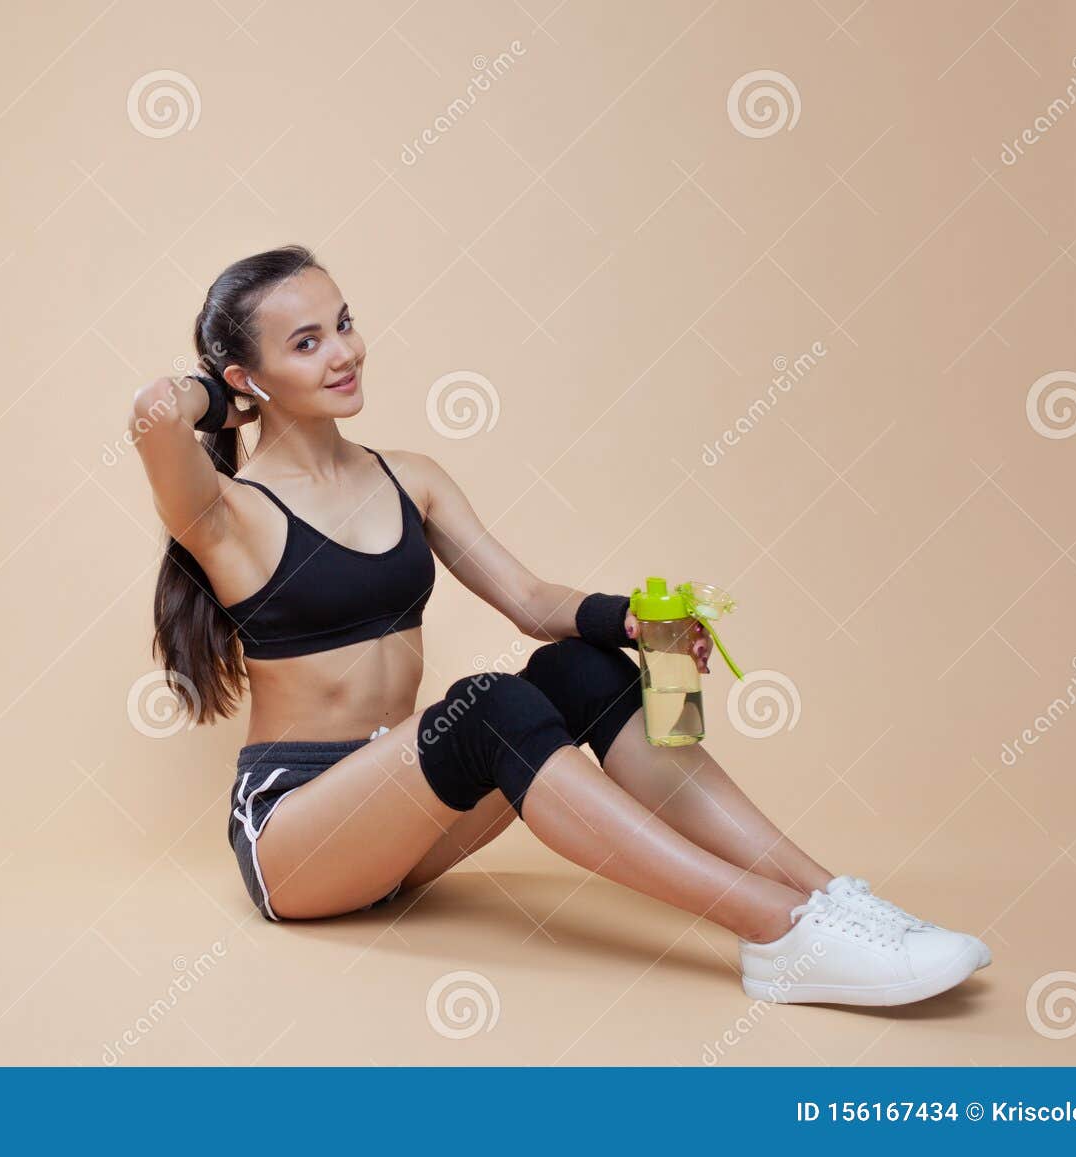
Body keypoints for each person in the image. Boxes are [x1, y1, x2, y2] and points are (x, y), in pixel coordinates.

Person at [128, 244, 989, 1006]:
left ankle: (829, 898)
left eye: (344, 324)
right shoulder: (225, 512)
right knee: (487, 704)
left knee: (581, 667)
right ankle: (778, 932)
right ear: (247, 377)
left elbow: (532, 600)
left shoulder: (410, 476)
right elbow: (153, 411)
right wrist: (221, 397)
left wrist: (641, 620)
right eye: (305, 342)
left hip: (406, 824)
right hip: (299, 836)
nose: (345, 352)